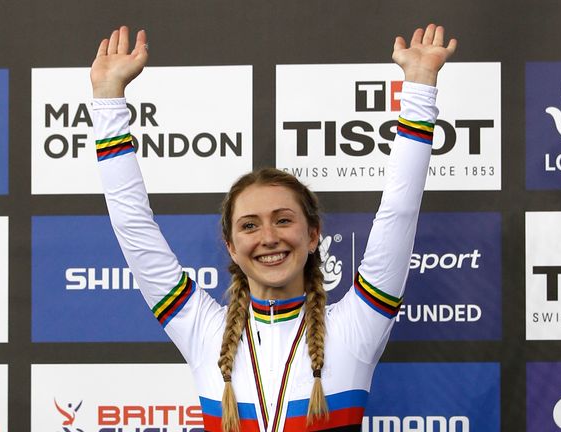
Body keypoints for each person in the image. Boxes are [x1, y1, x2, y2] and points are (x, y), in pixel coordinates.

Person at [91, 24, 456, 432]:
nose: (269, 237)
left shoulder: (356, 326)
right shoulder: (202, 332)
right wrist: (107, 101)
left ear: (313, 234)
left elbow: (399, 210)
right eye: (250, 226)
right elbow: (133, 226)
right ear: (230, 246)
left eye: (284, 220)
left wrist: (421, 86)